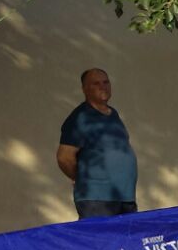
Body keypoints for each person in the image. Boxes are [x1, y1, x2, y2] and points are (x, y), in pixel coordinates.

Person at [57, 68, 140, 218]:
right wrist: (83, 178)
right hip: (97, 199)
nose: (103, 86)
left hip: (124, 196)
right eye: (96, 83)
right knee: (100, 234)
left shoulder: (113, 114)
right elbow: (64, 157)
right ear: (84, 89)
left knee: (127, 234)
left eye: (106, 82)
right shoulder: (80, 117)